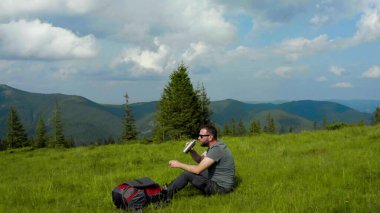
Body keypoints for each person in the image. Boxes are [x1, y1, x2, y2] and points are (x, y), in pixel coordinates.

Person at [164, 125, 235, 201]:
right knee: (191, 170)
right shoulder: (216, 146)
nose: (198, 138)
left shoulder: (216, 150)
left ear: (210, 137)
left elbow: (197, 170)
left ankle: (164, 197)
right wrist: (191, 150)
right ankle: (168, 188)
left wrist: (179, 164)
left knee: (187, 174)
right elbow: (200, 159)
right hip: (218, 180)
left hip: (221, 189)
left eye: (201, 136)